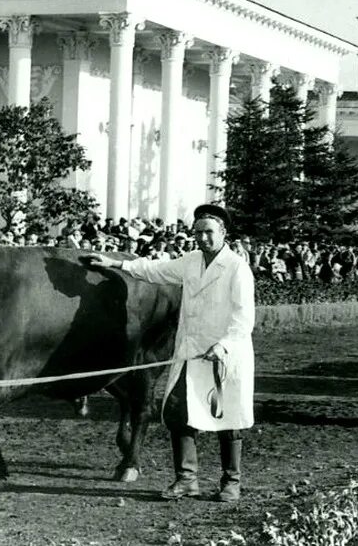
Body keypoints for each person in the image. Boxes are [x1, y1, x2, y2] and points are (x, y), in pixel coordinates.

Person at [83, 204, 254, 503]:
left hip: (224, 355)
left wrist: (223, 345)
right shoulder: (190, 262)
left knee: (227, 418)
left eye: (209, 232)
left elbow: (244, 318)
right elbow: (153, 270)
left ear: (224, 233)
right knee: (178, 414)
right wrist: (115, 263)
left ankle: (231, 481)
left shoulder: (237, 268)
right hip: (189, 353)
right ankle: (187, 480)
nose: (202, 238)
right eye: (198, 232)